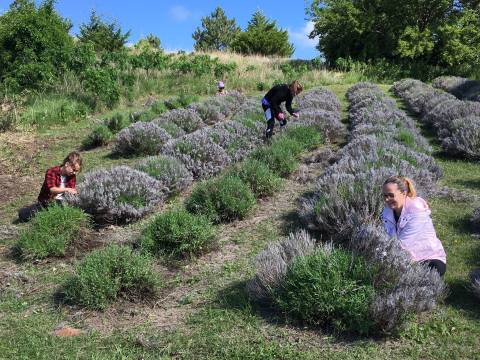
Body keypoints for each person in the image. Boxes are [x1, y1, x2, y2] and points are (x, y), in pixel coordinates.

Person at [381, 176, 447, 276]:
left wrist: (381, 254)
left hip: (428, 257)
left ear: (403, 193)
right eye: (385, 195)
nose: (387, 199)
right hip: (404, 257)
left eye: (391, 195)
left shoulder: (416, 212)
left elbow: (403, 245)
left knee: (429, 273)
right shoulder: (387, 211)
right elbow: (385, 236)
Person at [18, 151, 82, 222]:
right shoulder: (52, 171)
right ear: (67, 164)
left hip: (63, 202)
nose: (74, 172)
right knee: (23, 214)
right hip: (47, 202)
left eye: (76, 171)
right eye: (74, 169)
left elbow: (71, 191)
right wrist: (67, 189)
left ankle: (48, 214)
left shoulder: (72, 176)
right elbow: (52, 189)